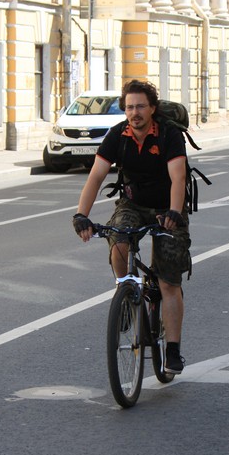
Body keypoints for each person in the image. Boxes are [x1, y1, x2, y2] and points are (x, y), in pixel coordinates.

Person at [72, 79, 191, 375]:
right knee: (117, 238)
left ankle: (173, 349)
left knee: (167, 281)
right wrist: (81, 215)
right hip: (133, 204)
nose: (134, 112)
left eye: (140, 106)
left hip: (168, 208)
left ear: (152, 108)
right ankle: (125, 292)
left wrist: (175, 213)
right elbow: (96, 176)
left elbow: (178, 177)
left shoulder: (168, 134)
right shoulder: (118, 136)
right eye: (129, 107)